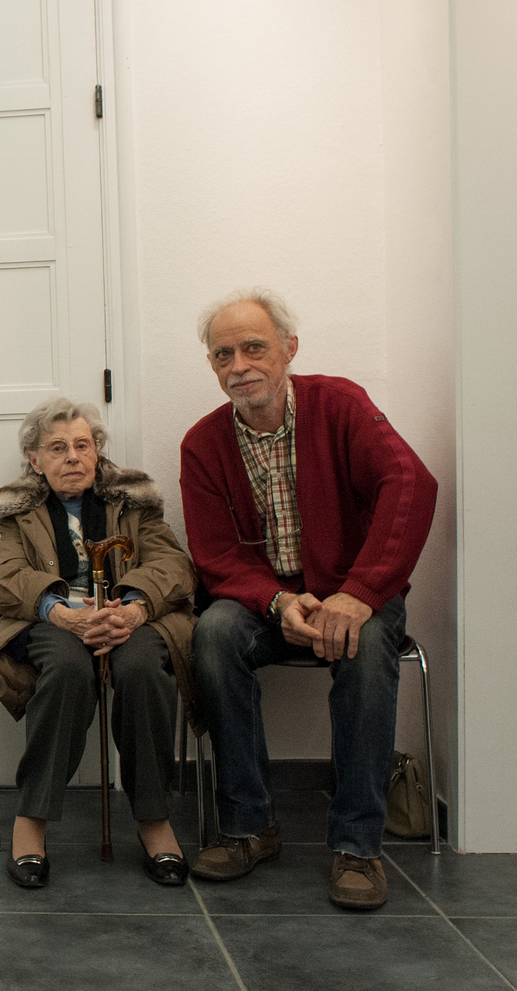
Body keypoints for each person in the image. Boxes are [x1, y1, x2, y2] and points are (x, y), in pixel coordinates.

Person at [180, 288, 437, 910]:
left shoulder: (340, 405)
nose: (239, 365)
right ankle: (248, 826)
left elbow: (410, 483)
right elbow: (215, 555)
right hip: (267, 603)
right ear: (211, 366)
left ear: (289, 348)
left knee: (366, 645)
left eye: (253, 348)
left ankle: (357, 845)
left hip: (357, 591)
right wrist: (276, 602)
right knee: (212, 633)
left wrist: (359, 593)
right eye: (222, 355)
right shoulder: (202, 444)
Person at [0, 397, 196, 889]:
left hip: (129, 616)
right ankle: (32, 819)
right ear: (35, 460)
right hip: (56, 621)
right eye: (57, 448)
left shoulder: (134, 502)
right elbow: (4, 578)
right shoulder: (20, 512)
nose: (73, 457)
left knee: (142, 669)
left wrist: (134, 608)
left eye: (83, 445)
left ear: (97, 453)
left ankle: (153, 817)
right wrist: (61, 612)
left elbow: (174, 565)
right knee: (67, 670)